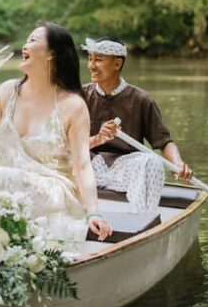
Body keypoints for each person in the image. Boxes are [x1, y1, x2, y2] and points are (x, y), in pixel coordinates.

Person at [0, 23, 113, 246]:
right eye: (26, 40)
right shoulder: (8, 91)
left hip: (53, 192)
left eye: (32, 40)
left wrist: (93, 212)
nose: (25, 45)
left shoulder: (73, 105)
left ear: (51, 54)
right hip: (10, 190)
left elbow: (82, 165)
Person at [83, 36, 193, 213]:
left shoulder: (141, 99)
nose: (91, 65)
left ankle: (141, 218)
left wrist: (178, 163)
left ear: (117, 64)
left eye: (99, 60)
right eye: (90, 59)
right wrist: (98, 138)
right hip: (87, 167)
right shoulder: (80, 96)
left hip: (126, 171)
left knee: (152, 162)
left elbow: (164, 141)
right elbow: (65, 144)